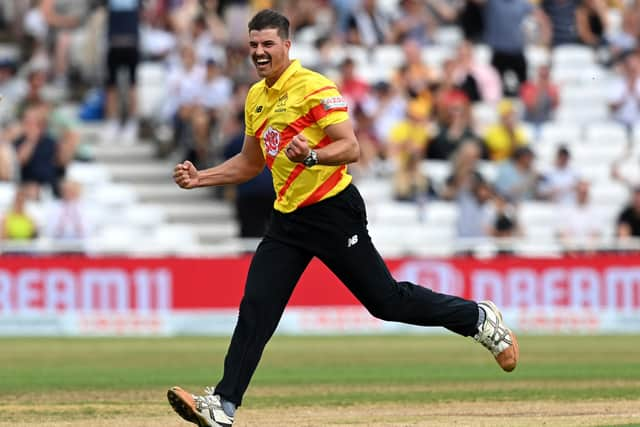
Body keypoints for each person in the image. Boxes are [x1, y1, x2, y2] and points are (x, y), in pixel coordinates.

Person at [166, 10, 519, 427]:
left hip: (333, 211)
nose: (259, 52)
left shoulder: (313, 87)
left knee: (385, 302)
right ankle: (222, 406)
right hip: (288, 220)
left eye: (267, 45)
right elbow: (249, 162)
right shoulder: (256, 98)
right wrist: (200, 177)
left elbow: (351, 147)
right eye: (253, 45)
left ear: (286, 46)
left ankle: (479, 319)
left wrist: (312, 154)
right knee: (257, 307)